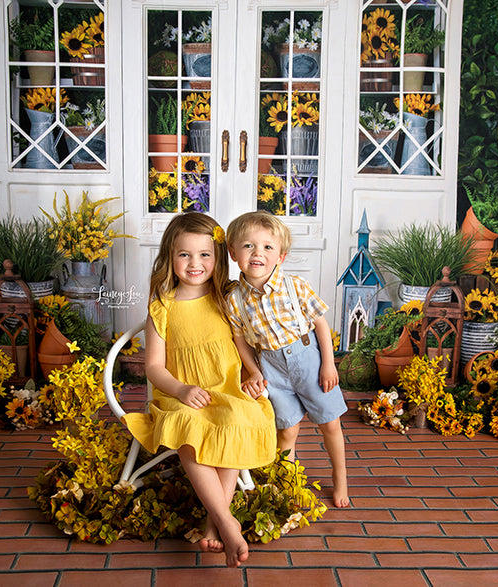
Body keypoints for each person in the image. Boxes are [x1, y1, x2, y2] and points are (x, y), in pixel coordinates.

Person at [123, 212, 276, 568]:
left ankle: (213, 521)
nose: (195, 263)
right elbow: (153, 368)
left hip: (225, 389)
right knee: (192, 430)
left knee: (236, 416)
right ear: (170, 256)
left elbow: (243, 346)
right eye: (184, 255)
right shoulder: (162, 306)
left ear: (218, 257)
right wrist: (180, 389)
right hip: (180, 395)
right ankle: (226, 520)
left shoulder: (227, 299)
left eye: (205, 254)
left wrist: (252, 373)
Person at [225, 210, 350, 509]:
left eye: (268, 247)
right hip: (272, 367)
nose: (258, 253)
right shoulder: (234, 300)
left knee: (330, 423)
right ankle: (288, 482)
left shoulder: (295, 287)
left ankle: (340, 476)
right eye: (248, 246)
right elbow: (240, 340)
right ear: (233, 253)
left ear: (280, 256)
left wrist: (328, 364)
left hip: (309, 359)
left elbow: (320, 324)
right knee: (287, 429)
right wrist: (253, 371)